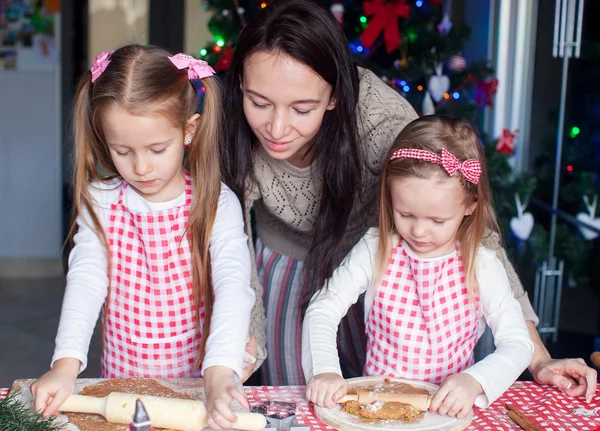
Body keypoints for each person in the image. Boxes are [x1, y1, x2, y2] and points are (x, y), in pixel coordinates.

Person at [222, 0, 597, 399]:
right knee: (303, 396)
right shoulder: (228, 125)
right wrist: (246, 338)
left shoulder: (380, 119)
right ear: (242, 85)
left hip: (385, 263)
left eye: (302, 108)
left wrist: (538, 358)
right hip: (288, 259)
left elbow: (475, 235)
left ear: (333, 96)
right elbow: (232, 244)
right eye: (259, 103)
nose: (276, 127)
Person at [30, 45, 257, 430]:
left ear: (189, 130)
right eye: (122, 151)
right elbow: (86, 280)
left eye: (157, 148)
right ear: (104, 138)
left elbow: (234, 286)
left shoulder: (215, 201)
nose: (141, 167)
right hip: (122, 385)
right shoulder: (100, 201)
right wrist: (65, 365)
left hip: (195, 387)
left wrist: (220, 372)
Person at [303, 115, 534, 417]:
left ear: (470, 206)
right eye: (406, 214)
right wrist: (324, 370)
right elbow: (323, 308)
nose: (419, 231)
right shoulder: (375, 248)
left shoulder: (482, 264)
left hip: (447, 413)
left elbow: (518, 343)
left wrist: (475, 381)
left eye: (438, 220)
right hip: (378, 409)